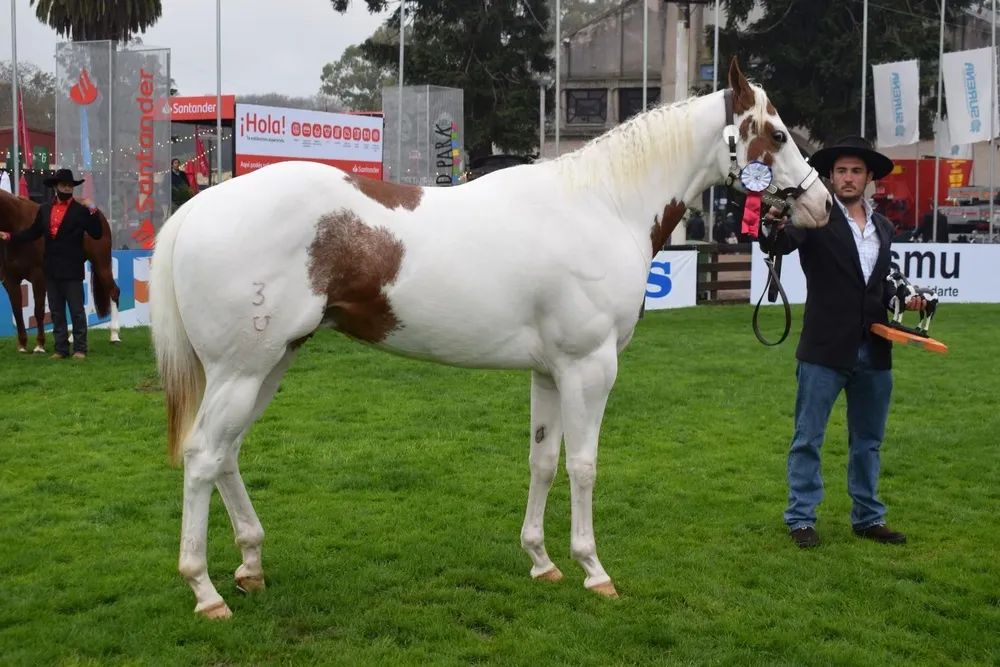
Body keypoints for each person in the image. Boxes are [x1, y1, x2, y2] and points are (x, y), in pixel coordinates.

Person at [758, 136, 927, 549]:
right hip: (824, 349)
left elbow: (880, 285)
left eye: (856, 171)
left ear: (869, 177)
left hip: (876, 350)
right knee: (808, 440)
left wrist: (906, 299)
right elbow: (777, 242)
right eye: (841, 171)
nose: (848, 178)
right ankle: (801, 519)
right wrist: (770, 219)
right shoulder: (814, 216)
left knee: (868, 442)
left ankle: (868, 518)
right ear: (831, 177)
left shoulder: (884, 227)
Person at [0, 168, 103, 359]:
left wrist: (92, 209)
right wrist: (10, 236)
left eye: (70, 185)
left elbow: (96, 233)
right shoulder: (45, 210)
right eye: (64, 184)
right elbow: (33, 233)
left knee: (76, 311)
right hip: (51, 267)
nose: (67, 187)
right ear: (56, 186)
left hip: (72, 267)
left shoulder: (80, 211)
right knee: (56, 311)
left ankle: (80, 348)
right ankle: (61, 349)